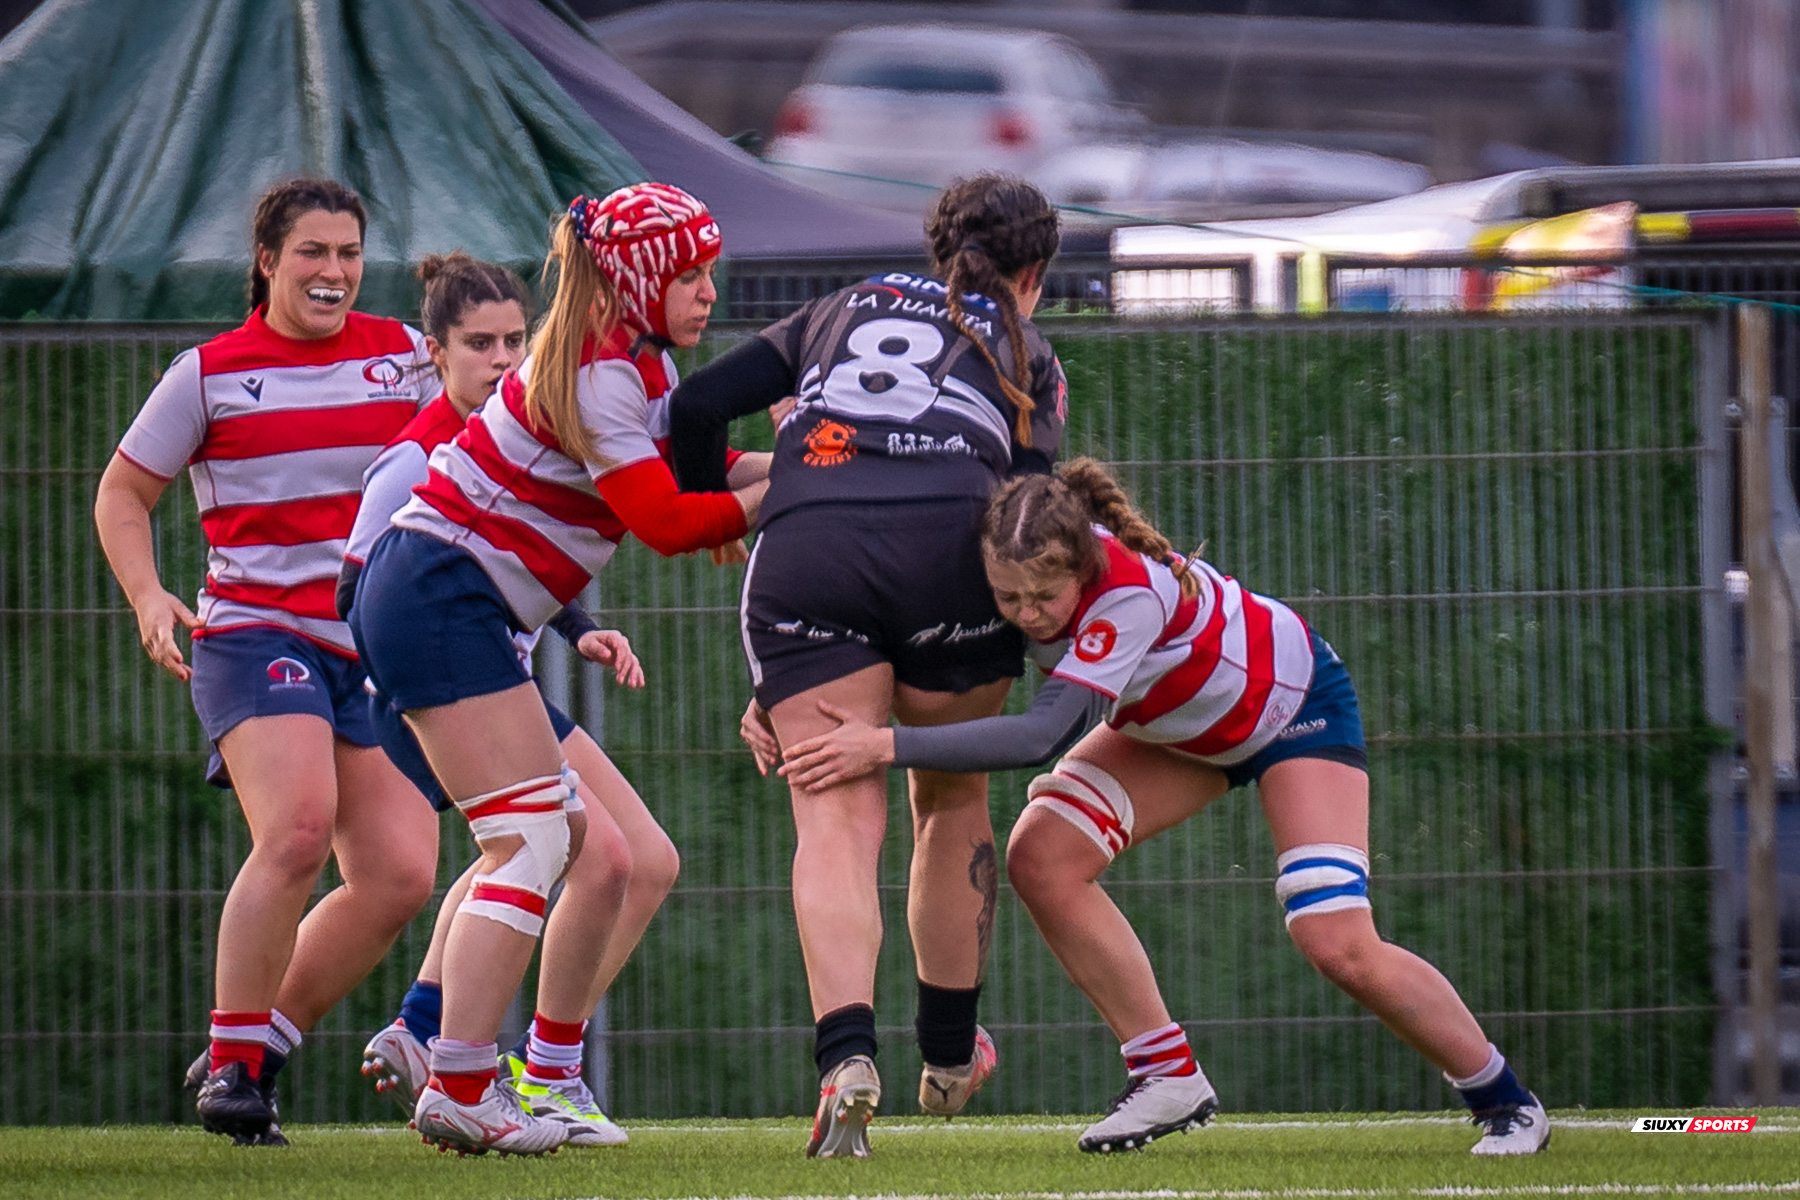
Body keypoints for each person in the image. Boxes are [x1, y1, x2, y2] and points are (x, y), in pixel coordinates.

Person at [776, 458, 1553, 1158]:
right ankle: (1165, 1073)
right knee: (1040, 858)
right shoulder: (1005, 580)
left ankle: (1506, 1103)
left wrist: (886, 745)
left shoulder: (1129, 593)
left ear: (1082, 567)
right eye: (1009, 596)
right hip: (1177, 733)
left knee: (1333, 939)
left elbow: (1043, 734)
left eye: (1046, 596)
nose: (1028, 613)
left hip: (1290, 712)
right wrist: (778, 692)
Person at [348, 182, 767, 1157]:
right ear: (637, 279)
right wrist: (794, 484)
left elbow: (698, 481)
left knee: (594, 847)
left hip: (451, 601)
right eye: (691, 275)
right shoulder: (598, 371)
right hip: (440, 595)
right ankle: (458, 1079)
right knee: (531, 843)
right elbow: (668, 523)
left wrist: (814, 463)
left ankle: (535, 1078)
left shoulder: (632, 361)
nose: (710, 292)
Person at [669, 173, 1065, 1157]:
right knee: (949, 797)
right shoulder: (1027, 351)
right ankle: (945, 1055)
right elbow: (1023, 523)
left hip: (809, 551)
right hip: (952, 554)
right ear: (1035, 272)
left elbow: (698, 404)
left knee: (834, 818)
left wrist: (706, 515)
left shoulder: (840, 307)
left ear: (939, 251)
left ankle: (847, 1057)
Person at [94, 178, 442, 1145]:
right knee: (296, 832)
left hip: (369, 644)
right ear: (267, 261)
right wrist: (148, 595)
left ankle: (252, 1049)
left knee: (402, 873)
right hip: (254, 635)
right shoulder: (208, 373)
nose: (332, 272)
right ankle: (235, 1082)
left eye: (347, 253)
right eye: (311, 254)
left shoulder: (405, 359)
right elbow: (122, 495)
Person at [338, 252, 671, 1148]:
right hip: (437, 678)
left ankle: (457, 1041)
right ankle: (477, 1059)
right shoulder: (410, 463)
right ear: (434, 354)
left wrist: (575, 628)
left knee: (625, 858)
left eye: (515, 340)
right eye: (477, 344)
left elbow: (502, 550)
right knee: (558, 849)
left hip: (489, 667)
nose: (500, 358)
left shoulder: (528, 426)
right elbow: (382, 589)